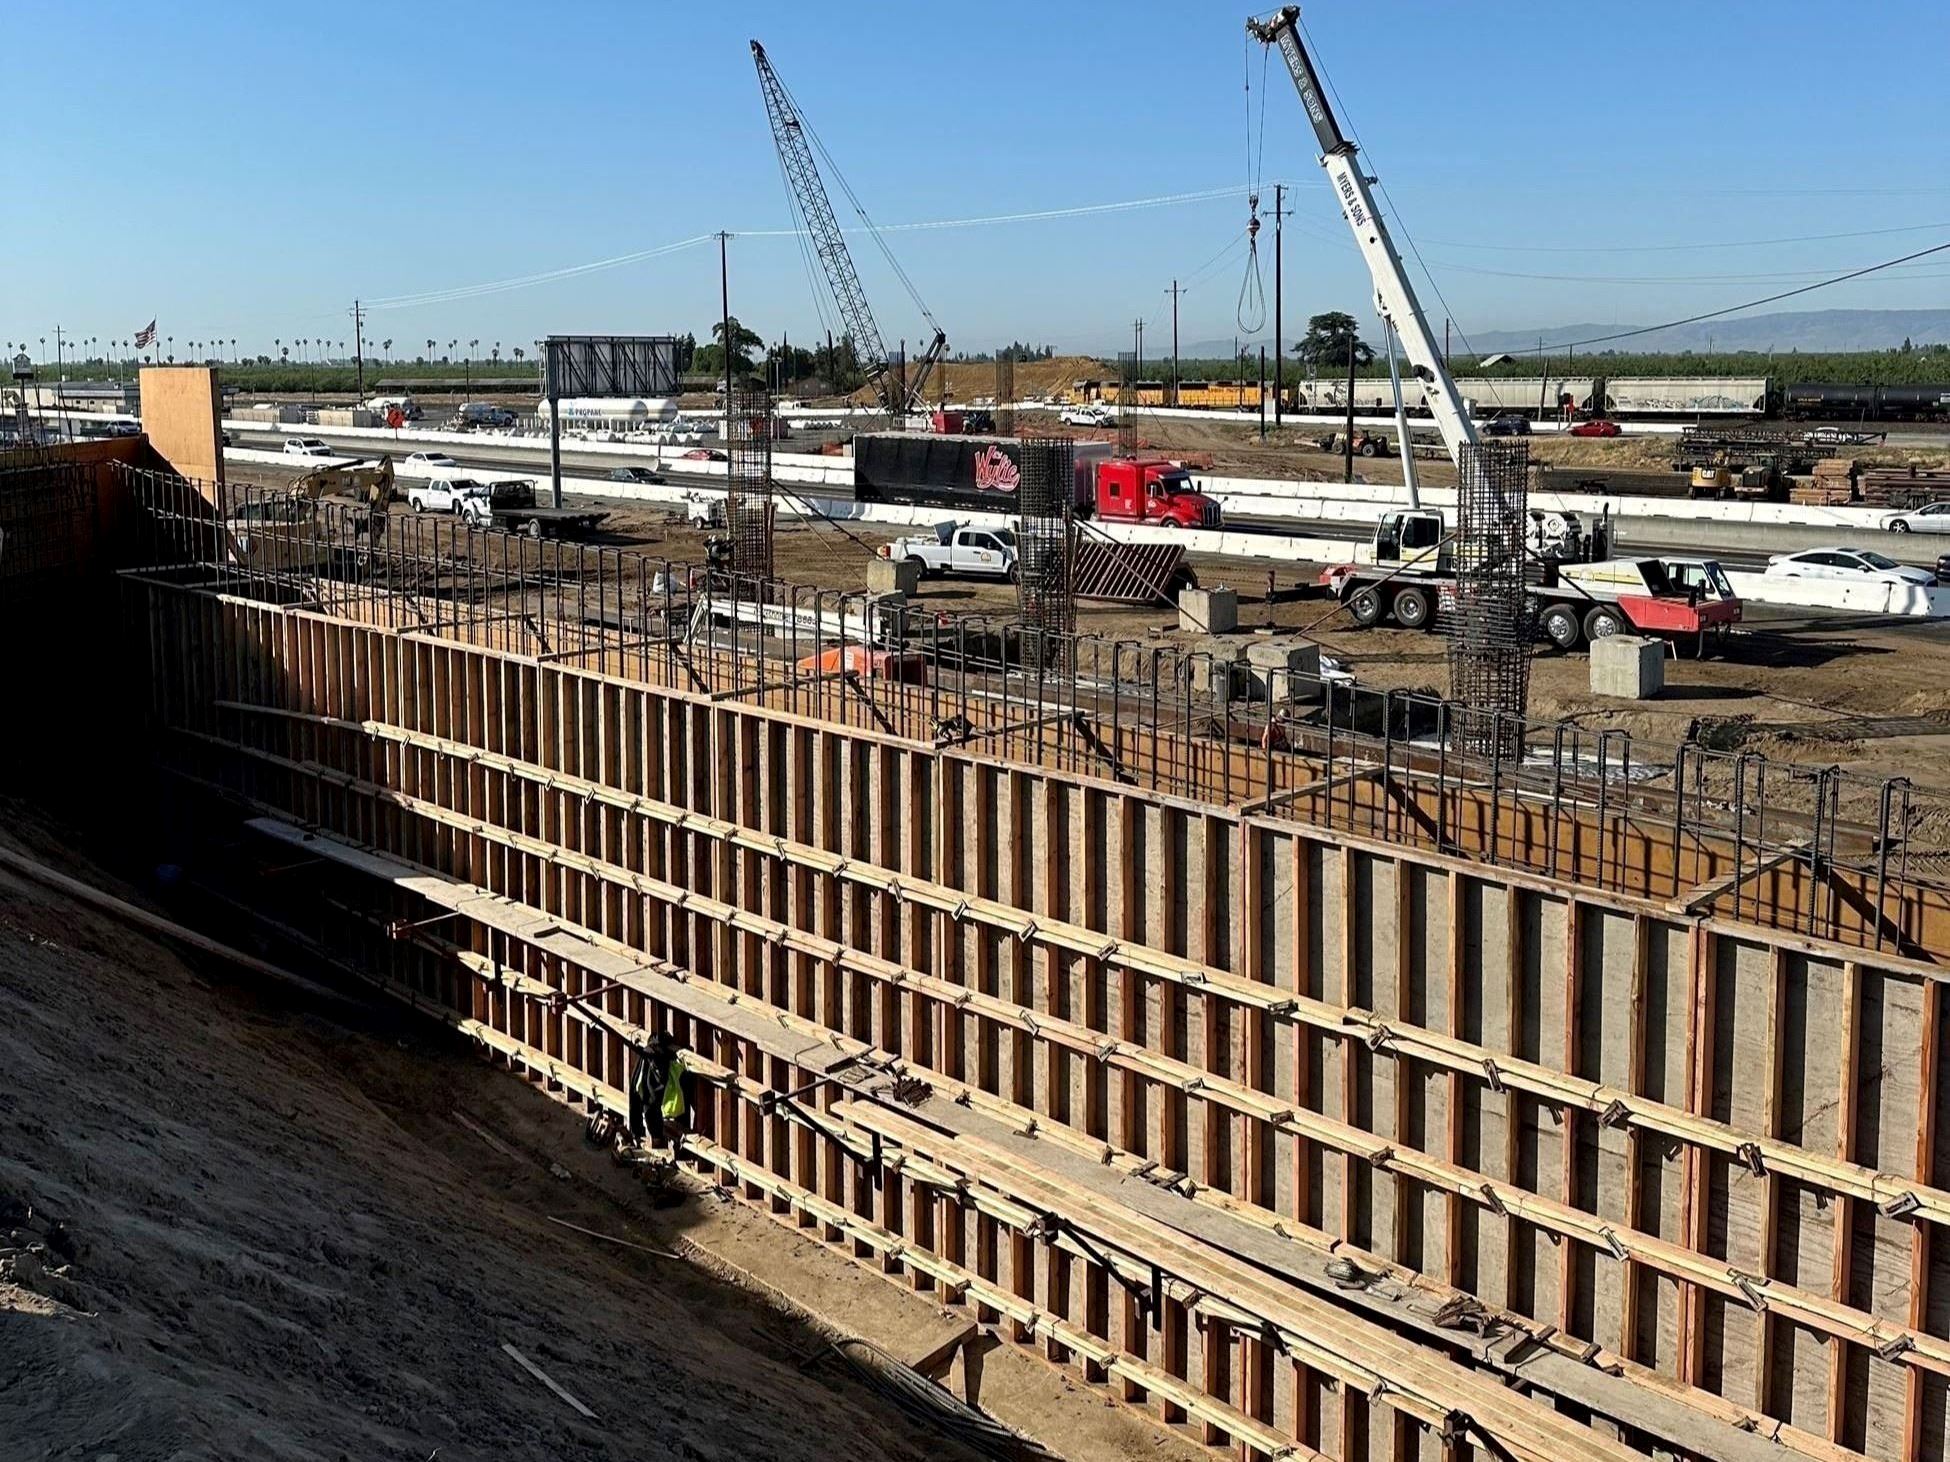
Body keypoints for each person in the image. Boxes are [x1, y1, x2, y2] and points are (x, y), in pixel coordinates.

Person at [629, 1030, 692, 1149]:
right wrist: (637, 1131)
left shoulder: (673, 1067)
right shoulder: (646, 1068)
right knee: (650, 1102)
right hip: (664, 1108)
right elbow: (637, 1098)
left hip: (672, 1109)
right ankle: (657, 1138)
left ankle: (659, 1138)